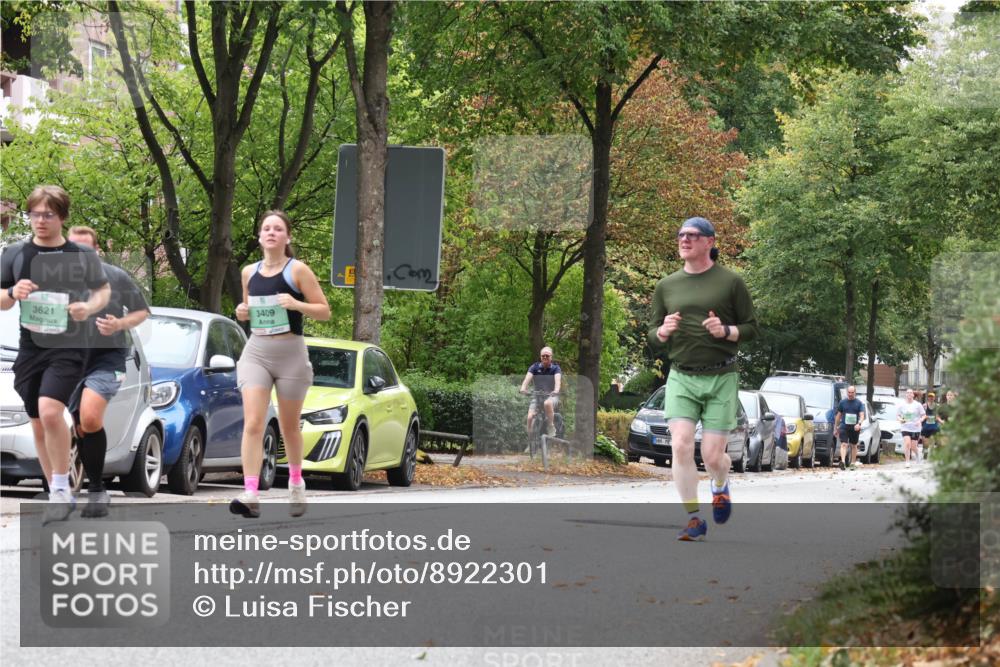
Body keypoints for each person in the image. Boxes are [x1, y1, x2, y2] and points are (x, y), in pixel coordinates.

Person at [0, 185, 110, 523]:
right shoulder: (15, 253)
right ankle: (56, 490)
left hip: (69, 346)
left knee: (50, 412)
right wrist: (12, 292)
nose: (40, 220)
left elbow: (102, 291)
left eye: (48, 214)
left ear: (62, 217)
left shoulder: (81, 255)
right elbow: (2, 301)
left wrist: (87, 307)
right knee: (36, 419)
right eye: (34, 214)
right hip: (31, 347)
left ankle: (62, 489)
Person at [647, 217, 758, 541]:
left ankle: (720, 485)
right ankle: (694, 519)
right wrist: (663, 331)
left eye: (692, 235)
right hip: (681, 375)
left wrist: (726, 330)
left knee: (712, 455)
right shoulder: (666, 286)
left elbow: (752, 328)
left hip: (721, 376)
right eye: (681, 234)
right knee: (680, 445)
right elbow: (653, 335)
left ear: (709, 241)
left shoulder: (730, 283)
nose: (684, 239)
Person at [230, 211, 330, 518]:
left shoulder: (297, 270)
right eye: (266, 228)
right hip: (257, 351)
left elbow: (324, 311)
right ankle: (250, 493)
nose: (271, 232)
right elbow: (248, 310)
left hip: (291, 354)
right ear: (259, 237)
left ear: (287, 237)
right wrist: (241, 312)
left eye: (278, 229)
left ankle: (297, 484)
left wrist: (296, 304)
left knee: (288, 426)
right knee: (253, 423)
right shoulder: (249, 272)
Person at [66, 226, 150, 517]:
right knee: (79, 426)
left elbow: (141, 312)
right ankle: (88, 485)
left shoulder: (116, 277)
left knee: (90, 417)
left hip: (108, 359)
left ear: (97, 251)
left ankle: (97, 489)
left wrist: (119, 325)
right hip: (69, 360)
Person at [519, 346, 562, 438]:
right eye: (543, 356)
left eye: (547, 355)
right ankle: (530, 440)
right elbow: (527, 379)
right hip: (537, 395)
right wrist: (523, 388)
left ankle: (550, 426)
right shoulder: (534, 367)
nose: (545, 357)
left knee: (547, 403)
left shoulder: (556, 368)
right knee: (530, 417)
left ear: (551, 357)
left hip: (551, 395)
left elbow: (558, 382)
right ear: (540, 357)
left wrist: (556, 390)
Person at [834, 385, 866, 470]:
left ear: (855, 393)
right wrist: (836, 427)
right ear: (847, 392)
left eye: (852, 392)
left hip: (854, 427)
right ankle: (843, 462)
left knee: (853, 445)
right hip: (844, 426)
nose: (850, 394)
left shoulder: (859, 403)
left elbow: (862, 415)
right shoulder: (842, 402)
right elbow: (838, 415)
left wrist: (859, 424)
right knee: (844, 444)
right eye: (849, 392)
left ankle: (852, 463)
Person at [896, 389, 925, 468]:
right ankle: (907, 461)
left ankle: (917, 454)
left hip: (915, 428)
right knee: (907, 444)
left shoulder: (918, 405)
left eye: (910, 393)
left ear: (913, 395)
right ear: (906, 395)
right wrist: (900, 420)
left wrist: (920, 421)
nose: (909, 394)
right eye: (907, 393)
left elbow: (923, 415)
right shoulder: (901, 405)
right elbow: (897, 416)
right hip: (905, 427)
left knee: (913, 446)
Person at [920, 391, 941, 461]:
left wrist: (940, 420)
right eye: (929, 397)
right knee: (925, 442)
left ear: (934, 398)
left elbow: (938, 416)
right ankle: (925, 450)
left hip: (934, 426)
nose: (931, 398)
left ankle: (931, 453)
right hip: (926, 426)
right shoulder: (924, 406)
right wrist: (923, 418)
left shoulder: (937, 406)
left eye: (932, 397)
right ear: (928, 398)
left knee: (932, 440)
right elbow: (921, 415)